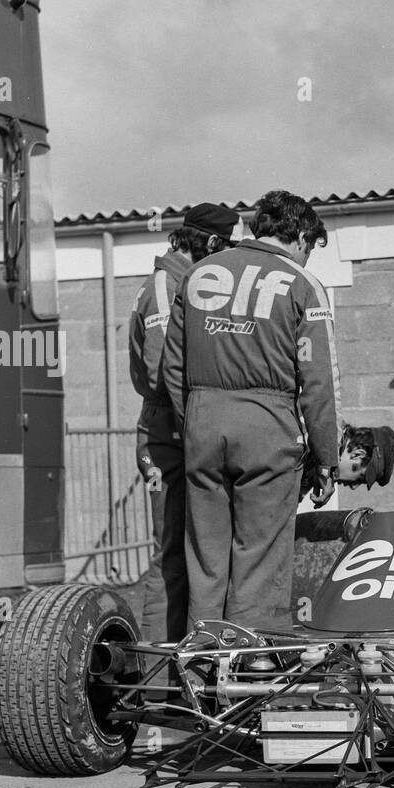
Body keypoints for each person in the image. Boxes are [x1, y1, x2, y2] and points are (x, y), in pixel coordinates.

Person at [162, 190, 341, 637]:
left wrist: (193, 426)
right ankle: (250, 669)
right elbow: (319, 383)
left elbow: (171, 367)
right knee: (258, 560)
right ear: (300, 235)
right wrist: (326, 456)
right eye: (309, 247)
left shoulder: (199, 274)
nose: (307, 258)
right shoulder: (301, 284)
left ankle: (200, 669)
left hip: (202, 427)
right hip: (267, 429)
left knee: (206, 562)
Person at [128, 202, 240, 640]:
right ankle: (158, 688)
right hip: (167, 432)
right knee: (171, 555)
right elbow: (161, 371)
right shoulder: (166, 286)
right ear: (211, 244)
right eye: (227, 249)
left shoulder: (189, 283)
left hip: (188, 426)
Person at [299, 422, 394, 505]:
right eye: (359, 478)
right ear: (358, 454)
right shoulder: (312, 430)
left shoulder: (317, 473)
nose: (353, 487)